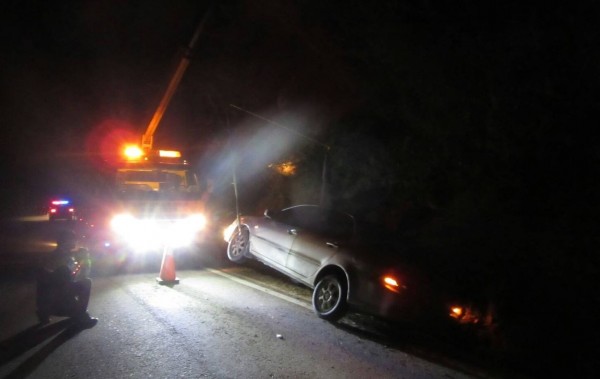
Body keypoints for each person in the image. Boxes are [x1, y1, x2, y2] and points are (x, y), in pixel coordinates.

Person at [36, 230, 97, 328]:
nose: (76, 243)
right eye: (74, 240)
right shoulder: (61, 258)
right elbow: (74, 279)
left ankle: (45, 314)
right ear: (66, 242)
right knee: (86, 283)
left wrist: (84, 260)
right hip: (58, 305)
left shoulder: (60, 256)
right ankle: (81, 315)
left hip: (47, 306)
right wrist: (83, 259)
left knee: (79, 282)